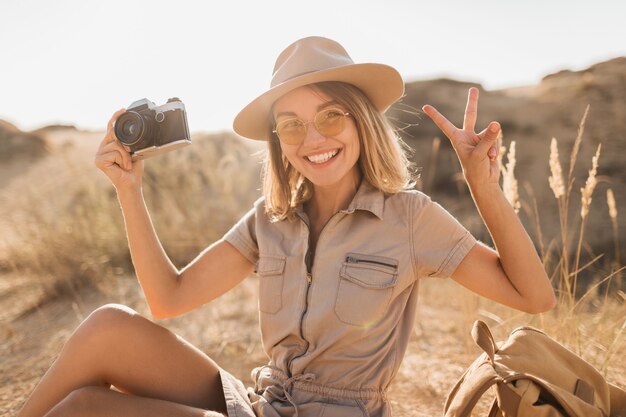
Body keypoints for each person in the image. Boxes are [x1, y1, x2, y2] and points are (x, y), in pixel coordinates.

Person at [17, 36, 555, 417]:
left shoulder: (409, 217)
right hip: (264, 404)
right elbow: (168, 299)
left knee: (84, 409)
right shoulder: (269, 220)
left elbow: (533, 297)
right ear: (277, 142)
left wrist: (483, 188)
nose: (312, 140)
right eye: (290, 125)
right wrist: (129, 192)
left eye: (330, 117)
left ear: (361, 122)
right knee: (108, 326)